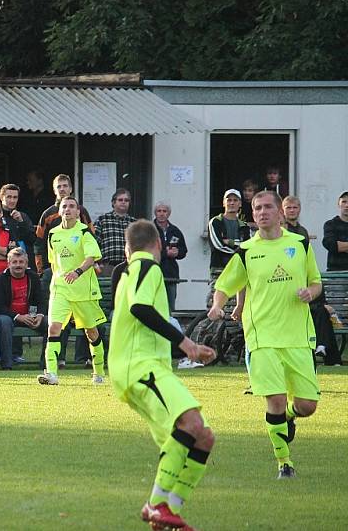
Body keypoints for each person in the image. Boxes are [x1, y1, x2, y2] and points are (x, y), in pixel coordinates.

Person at [109, 219, 216, 531]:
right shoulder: (148, 268)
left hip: (140, 367)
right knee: (191, 423)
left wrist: (188, 349)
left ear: (127, 248)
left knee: (204, 437)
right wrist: (184, 342)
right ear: (157, 245)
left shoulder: (131, 272)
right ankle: (156, 504)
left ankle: (170, 510)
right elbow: (141, 309)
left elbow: (142, 326)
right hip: (141, 368)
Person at [210, 190, 321, 479]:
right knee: (274, 399)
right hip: (262, 338)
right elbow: (225, 283)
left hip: (297, 336)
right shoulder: (246, 250)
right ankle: (284, 463)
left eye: (267, 207)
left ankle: (289, 417)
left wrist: (310, 292)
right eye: (257, 208)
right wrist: (217, 305)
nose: (262, 212)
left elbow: (316, 281)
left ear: (280, 213)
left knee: (307, 406)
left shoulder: (299, 244)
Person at [38, 196, 107, 386]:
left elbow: (92, 257)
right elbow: (54, 263)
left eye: (72, 207)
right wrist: (58, 281)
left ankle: (99, 371)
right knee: (53, 327)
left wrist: (78, 272)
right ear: (59, 211)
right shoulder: (53, 234)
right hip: (60, 289)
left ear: (78, 212)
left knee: (91, 332)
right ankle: (51, 373)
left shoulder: (84, 232)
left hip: (84, 291)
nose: (67, 209)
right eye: (64, 206)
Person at [35, 174, 95, 368]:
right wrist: (43, 269)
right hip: (54, 273)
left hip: (80, 274)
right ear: (55, 190)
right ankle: (53, 360)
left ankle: (85, 358)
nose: (62, 189)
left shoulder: (82, 212)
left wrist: (88, 266)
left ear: (71, 189)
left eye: (65, 186)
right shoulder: (48, 214)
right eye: (58, 186)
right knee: (54, 318)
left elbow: (92, 238)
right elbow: (39, 242)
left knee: (84, 319)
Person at [285, 196, 342, 366]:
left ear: (299, 209)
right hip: (287, 286)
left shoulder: (302, 232)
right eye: (288, 208)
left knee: (321, 310)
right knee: (317, 311)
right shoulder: (281, 231)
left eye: (295, 207)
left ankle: (324, 349)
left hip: (304, 281)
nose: (292, 211)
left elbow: (311, 271)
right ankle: (323, 349)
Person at [0, 247, 47, 369]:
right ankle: (7, 365)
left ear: (26, 264)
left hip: (30, 316)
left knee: (50, 323)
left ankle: (46, 365)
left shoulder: (33, 277)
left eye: (21, 262)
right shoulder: (0, 280)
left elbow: (41, 301)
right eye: (15, 262)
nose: (18, 265)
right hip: (9, 316)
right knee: (4, 322)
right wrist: (18, 317)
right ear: (9, 264)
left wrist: (40, 315)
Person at [153, 201, 187, 312]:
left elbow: (184, 250)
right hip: (154, 272)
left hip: (171, 274)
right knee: (154, 305)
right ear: (155, 213)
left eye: (164, 211)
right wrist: (165, 253)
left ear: (169, 213)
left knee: (170, 308)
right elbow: (147, 250)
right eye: (159, 211)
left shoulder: (175, 231)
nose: (162, 214)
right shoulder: (150, 229)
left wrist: (177, 253)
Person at [93, 188, 137, 276]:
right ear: (113, 203)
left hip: (129, 267)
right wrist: (97, 263)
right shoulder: (103, 220)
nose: (123, 202)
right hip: (107, 267)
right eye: (120, 200)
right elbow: (94, 243)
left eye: (126, 200)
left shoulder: (134, 223)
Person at [208, 189, 251, 272]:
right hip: (219, 269)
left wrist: (230, 242)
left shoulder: (245, 226)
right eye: (229, 200)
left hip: (239, 269)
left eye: (235, 200)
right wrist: (239, 248)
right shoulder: (215, 222)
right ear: (224, 203)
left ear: (240, 204)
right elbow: (218, 245)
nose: (232, 203)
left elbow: (248, 247)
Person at [0, 183, 37, 269]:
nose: (12, 200)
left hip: (23, 263)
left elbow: (32, 239)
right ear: (2, 198)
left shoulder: (23, 216)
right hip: (2, 263)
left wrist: (21, 222)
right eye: (9, 197)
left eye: (15, 197)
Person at [321, 191, 348, 271]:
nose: (347, 205)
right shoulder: (330, 224)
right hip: (335, 274)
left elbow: (338, 246)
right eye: (344, 202)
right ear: (338, 204)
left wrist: (342, 246)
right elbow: (332, 245)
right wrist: (337, 246)